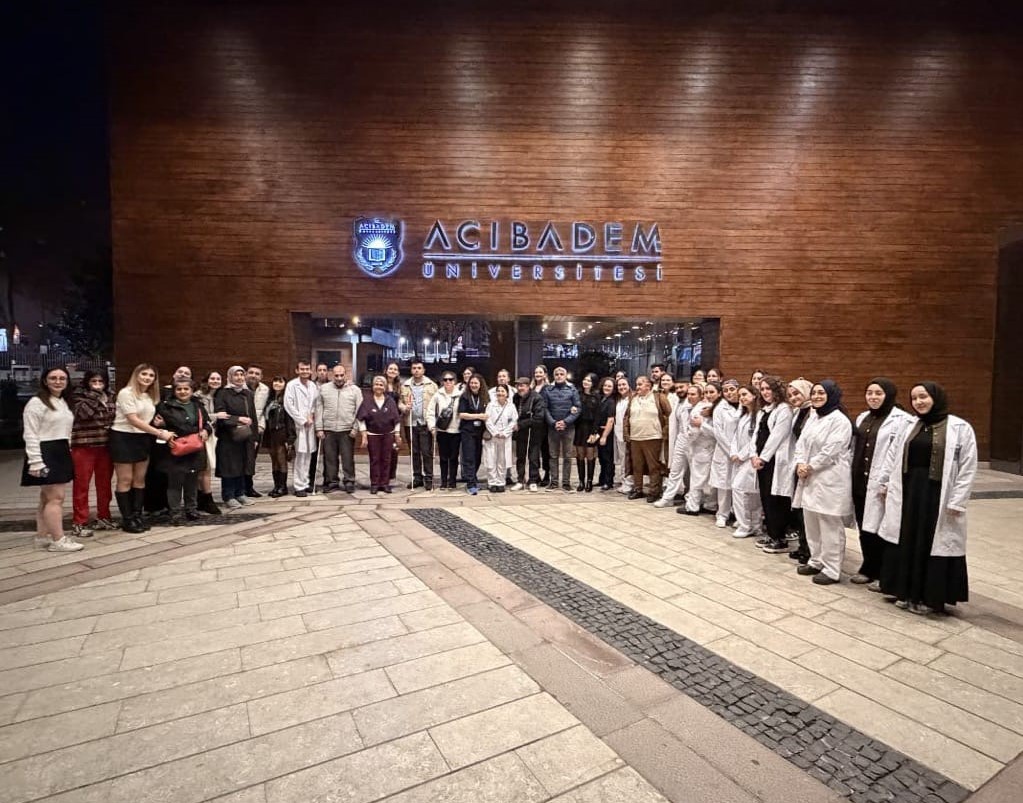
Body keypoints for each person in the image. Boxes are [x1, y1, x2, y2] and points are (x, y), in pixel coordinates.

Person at [879, 383, 977, 614]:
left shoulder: (959, 427)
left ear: (935, 398)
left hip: (936, 495)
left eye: (923, 397)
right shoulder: (909, 425)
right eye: (914, 398)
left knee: (930, 542)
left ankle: (929, 598)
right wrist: (885, 482)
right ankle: (904, 591)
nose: (918, 402)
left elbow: (968, 466)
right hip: (909, 492)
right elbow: (893, 456)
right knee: (907, 539)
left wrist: (957, 500)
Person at [850, 378, 914, 588]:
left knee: (883, 528)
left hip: (884, 483)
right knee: (865, 526)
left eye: (878, 393)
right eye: (869, 393)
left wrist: (888, 481)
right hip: (860, 480)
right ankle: (868, 566)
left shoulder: (902, 420)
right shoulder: (863, 417)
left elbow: (899, 454)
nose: (873, 397)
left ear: (889, 395)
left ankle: (885, 573)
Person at [793, 381, 854, 584]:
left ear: (832, 395)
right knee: (811, 522)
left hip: (829, 477)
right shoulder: (814, 417)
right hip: (809, 477)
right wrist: (800, 463)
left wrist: (810, 466)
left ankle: (832, 569)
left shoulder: (840, 421)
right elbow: (801, 443)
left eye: (822, 393)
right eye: (814, 393)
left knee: (829, 525)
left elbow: (831, 450)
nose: (817, 396)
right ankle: (816, 560)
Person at [22, 367, 83, 552]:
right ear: (45, 381)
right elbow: (30, 434)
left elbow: (66, 431)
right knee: (56, 498)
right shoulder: (36, 403)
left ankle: (42, 537)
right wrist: (36, 462)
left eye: (62, 378)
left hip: (61, 450)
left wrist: (68, 449)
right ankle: (58, 540)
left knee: (46, 497)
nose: (58, 381)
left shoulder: (63, 402)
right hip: (45, 452)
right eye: (53, 378)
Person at [109, 363, 166, 533]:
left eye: (151, 375)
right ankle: (127, 519)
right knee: (125, 479)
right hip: (123, 438)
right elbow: (133, 419)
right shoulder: (126, 393)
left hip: (142, 438)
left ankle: (137, 515)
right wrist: (159, 433)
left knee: (139, 479)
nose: (147, 378)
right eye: (144, 374)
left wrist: (157, 424)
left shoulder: (148, 396)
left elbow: (145, 419)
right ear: (136, 375)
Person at [156, 378, 211, 525]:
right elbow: (163, 425)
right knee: (175, 482)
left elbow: (206, 423)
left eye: (186, 389)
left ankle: (191, 509)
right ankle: (175, 511)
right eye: (179, 389)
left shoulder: (197, 405)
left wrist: (206, 430)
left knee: (191, 481)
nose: (183, 392)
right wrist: (163, 427)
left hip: (194, 448)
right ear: (174, 391)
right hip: (175, 448)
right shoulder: (165, 406)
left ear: (192, 390)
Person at [69, 371, 116, 538]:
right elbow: (83, 414)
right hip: (84, 445)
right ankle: (79, 522)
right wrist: (94, 395)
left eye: (100, 381)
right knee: (81, 485)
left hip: (106, 446)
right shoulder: (78, 396)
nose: (97, 384)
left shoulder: (111, 395)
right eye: (93, 381)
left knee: (104, 485)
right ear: (87, 382)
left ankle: (104, 516)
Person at [753, 375, 795, 554]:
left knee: (776, 499)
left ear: (776, 390)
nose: (765, 392)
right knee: (766, 498)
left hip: (775, 461)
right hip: (761, 461)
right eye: (762, 389)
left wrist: (763, 457)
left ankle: (780, 538)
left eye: (768, 389)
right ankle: (771, 534)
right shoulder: (763, 410)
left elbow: (777, 436)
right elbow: (756, 434)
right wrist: (754, 454)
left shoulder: (784, 410)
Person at [215, 366, 258, 509]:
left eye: (241, 374)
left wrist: (255, 437)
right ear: (229, 377)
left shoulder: (248, 393)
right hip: (228, 436)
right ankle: (228, 495)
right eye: (236, 375)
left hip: (245, 436)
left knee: (243, 464)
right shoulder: (223, 393)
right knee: (229, 466)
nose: (239, 377)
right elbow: (221, 415)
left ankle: (240, 493)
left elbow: (253, 416)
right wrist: (238, 419)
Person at [624, 375, 672, 501]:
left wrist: (665, 432)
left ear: (648, 386)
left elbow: (669, 415)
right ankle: (637, 489)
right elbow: (626, 417)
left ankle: (654, 491)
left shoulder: (658, 397)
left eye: (640, 384)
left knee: (653, 466)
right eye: (636, 384)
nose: (637, 387)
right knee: (637, 466)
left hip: (653, 437)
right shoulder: (633, 398)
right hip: (635, 437)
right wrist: (626, 433)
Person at [316, 364, 363, 493]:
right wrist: (319, 428)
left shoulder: (355, 390)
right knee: (330, 458)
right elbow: (319, 409)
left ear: (346, 374)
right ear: (332, 375)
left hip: (347, 430)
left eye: (341, 375)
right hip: (328, 429)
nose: (339, 378)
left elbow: (360, 410)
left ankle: (349, 481)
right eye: (336, 375)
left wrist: (355, 428)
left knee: (348, 458)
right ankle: (332, 482)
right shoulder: (324, 389)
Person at [786, 378, 815, 563]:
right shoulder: (799, 411)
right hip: (799, 463)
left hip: (811, 467)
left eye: (796, 393)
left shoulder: (814, 411)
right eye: (790, 395)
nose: (793, 398)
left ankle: (810, 550)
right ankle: (804, 546)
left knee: (808, 511)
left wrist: (806, 464)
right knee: (800, 509)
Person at [357, 375, 402, 493]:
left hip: (388, 434)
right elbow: (361, 419)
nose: (378, 387)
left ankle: (385, 483)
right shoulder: (367, 401)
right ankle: (375, 484)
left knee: (387, 459)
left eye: (381, 385)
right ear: (373, 386)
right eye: (376, 384)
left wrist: (397, 434)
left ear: (385, 387)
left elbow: (396, 419)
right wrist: (364, 435)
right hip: (372, 435)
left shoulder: (390, 401)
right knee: (375, 459)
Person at [705, 379, 741, 527]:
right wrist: (732, 451)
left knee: (740, 486)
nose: (729, 393)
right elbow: (719, 433)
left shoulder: (745, 406)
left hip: (742, 452)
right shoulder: (720, 408)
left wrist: (740, 452)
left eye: (732, 389)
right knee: (724, 486)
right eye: (725, 391)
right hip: (726, 451)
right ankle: (722, 514)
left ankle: (740, 516)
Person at [730, 385, 763, 538]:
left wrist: (742, 455)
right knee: (748, 493)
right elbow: (736, 437)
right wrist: (734, 452)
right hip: (740, 459)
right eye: (740, 396)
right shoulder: (744, 415)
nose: (741, 398)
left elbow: (754, 440)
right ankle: (752, 524)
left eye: (744, 394)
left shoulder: (759, 415)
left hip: (751, 459)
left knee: (743, 491)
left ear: (754, 395)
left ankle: (747, 525)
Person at [400, 360, 438, 490]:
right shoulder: (405, 385)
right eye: (414, 368)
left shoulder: (432, 385)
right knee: (414, 452)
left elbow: (437, 404)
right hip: (410, 423)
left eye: (419, 368)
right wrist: (404, 407)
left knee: (426, 452)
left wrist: (434, 422)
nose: (416, 370)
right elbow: (400, 402)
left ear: (423, 370)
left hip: (425, 423)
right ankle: (417, 477)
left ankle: (429, 478)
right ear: (411, 370)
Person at [681, 383, 719, 515]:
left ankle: (693, 507)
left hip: (703, 447)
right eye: (706, 392)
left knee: (698, 479)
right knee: (708, 479)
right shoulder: (710, 407)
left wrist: (689, 437)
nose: (708, 395)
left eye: (712, 392)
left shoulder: (704, 408)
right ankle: (710, 504)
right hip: (708, 447)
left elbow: (695, 431)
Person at [542, 366, 581, 492]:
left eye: (561, 374)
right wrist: (553, 423)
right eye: (557, 374)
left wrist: (566, 422)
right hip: (553, 427)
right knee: (553, 455)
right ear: (554, 376)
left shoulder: (572, 389)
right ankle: (553, 482)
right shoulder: (548, 390)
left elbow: (577, 408)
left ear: (565, 376)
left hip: (568, 428)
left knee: (568, 456)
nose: (559, 376)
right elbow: (545, 408)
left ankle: (566, 483)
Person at [284, 360, 319, 498]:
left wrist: (311, 415)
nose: (305, 371)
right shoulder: (292, 385)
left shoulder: (313, 386)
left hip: (310, 424)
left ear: (310, 371)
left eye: (307, 369)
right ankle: (298, 486)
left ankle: (305, 483)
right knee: (300, 456)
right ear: (297, 370)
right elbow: (288, 405)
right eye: (302, 369)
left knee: (308, 455)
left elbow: (315, 403)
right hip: (298, 425)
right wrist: (302, 420)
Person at [194, 371, 222, 514]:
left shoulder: (219, 396)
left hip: (213, 434)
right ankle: (206, 499)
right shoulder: (198, 396)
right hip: (202, 434)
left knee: (207, 468)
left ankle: (201, 499)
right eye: (212, 378)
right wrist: (217, 416)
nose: (215, 381)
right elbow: (200, 416)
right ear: (206, 380)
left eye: (218, 379)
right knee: (205, 467)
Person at [512, 376, 545, 492]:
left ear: (528, 386)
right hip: (520, 432)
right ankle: (520, 480)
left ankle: (533, 480)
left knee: (533, 457)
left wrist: (521, 424)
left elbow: (538, 418)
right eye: (518, 386)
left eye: (522, 386)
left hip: (533, 431)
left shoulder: (536, 397)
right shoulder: (515, 397)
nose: (519, 388)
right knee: (520, 457)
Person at [430, 371, 462, 490]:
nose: (448, 382)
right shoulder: (437, 395)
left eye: (450, 379)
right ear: (442, 381)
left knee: (454, 457)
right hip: (442, 431)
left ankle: (452, 481)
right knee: (443, 458)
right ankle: (443, 481)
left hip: (456, 431)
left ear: (455, 381)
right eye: (445, 380)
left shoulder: (460, 395)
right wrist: (432, 426)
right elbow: (430, 412)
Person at [263, 376, 295, 497]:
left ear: (285, 384)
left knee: (281, 459)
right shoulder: (269, 399)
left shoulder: (286, 399)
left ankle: (283, 487)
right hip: (270, 432)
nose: (277, 384)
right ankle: (276, 486)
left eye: (280, 382)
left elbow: (289, 419)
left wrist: (290, 437)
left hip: (281, 431)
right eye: (275, 381)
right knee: (274, 460)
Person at [457, 373, 488, 494]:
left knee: (477, 457)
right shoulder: (465, 396)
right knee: (469, 457)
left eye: (476, 383)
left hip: (479, 431)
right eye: (472, 383)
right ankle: (471, 484)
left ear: (480, 384)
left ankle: (473, 478)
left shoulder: (484, 397)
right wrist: (478, 416)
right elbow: (462, 414)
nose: (473, 385)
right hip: (467, 431)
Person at [484, 384, 517, 492]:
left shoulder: (511, 406)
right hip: (493, 436)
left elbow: (514, 421)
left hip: (505, 437)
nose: (500, 393)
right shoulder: (491, 405)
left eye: (503, 391)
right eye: (498, 391)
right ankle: (492, 482)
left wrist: (505, 433)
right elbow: (487, 420)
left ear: (507, 393)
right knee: (491, 460)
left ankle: (501, 482)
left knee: (502, 460)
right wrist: (495, 432)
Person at [572, 373, 601, 492]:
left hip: (591, 428)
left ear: (593, 383)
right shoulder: (577, 394)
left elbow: (598, 415)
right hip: (579, 427)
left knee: (590, 455)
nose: (586, 382)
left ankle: (589, 481)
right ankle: (581, 481)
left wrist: (595, 431)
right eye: (584, 379)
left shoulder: (597, 396)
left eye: (589, 380)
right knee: (580, 455)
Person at [244, 365, 269, 498]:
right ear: (246, 374)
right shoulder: (239, 388)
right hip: (241, 428)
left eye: (257, 374)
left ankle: (249, 487)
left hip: (256, 429)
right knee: (239, 460)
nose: (254, 375)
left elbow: (265, 410)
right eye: (251, 373)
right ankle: (238, 488)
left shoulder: (265, 390)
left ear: (261, 377)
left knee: (251, 459)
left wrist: (261, 426)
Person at [531, 365, 551, 485]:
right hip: (534, 424)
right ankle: (536, 474)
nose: (537, 374)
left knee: (545, 450)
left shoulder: (549, 388)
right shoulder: (531, 388)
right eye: (536, 372)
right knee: (534, 450)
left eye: (540, 372)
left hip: (545, 424)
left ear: (545, 374)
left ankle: (547, 474)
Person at [595, 377, 617, 490]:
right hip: (599, 431)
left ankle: (608, 482)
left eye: (609, 386)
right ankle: (602, 479)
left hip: (607, 432)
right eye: (605, 385)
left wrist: (604, 436)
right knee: (602, 457)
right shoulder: (602, 399)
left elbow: (611, 420)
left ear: (613, 389)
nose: (606, 388)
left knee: (607, 458)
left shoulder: (611, 401)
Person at [613, 376, 633, 493]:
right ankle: (624, 481)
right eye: (619, 385)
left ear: (629, 385)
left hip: (629, 434)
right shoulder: (618, 400)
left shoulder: (633, 399)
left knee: (628, 460)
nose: (622, 387)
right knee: (622, 459)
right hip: (618, 433)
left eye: (624, 384)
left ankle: (629, 484)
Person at [384, 361, 403, 486]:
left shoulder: (399, 387)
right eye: (390, 369)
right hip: (382, 421)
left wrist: (405, 408)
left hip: (395, 421)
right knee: (382, 450)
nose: (392, 371)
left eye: (395, 369)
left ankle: (390, 477)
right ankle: (381, 477)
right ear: (386, 370)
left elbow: (400, 403)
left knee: (394, 449)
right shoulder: (380, 383)